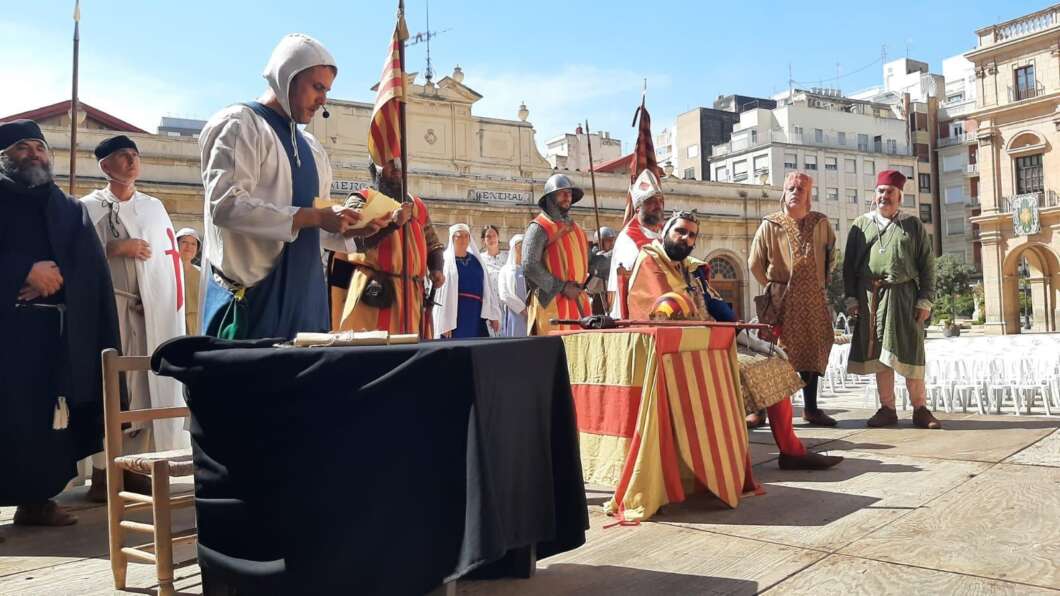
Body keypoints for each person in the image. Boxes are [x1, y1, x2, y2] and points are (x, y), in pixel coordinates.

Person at [198, 33, 385, 340]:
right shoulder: (240, 124)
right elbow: (226, 206)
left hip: (308, 303)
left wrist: (353, 230)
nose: (323, 98)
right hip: (252, 305)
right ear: (287, 78)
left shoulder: (312, 147)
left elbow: (318, 229)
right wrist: (315, 216)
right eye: (317, 87)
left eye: (327, 90)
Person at [627, 211, 842, 470]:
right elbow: (662, 314)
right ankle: (728, 456)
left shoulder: (692, 268)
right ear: (665, 232)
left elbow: (719, 309)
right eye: (680, 231)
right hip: (673, 350)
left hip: (709, 343)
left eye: (691, 235)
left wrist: (754, 342)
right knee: (753, 370)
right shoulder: (649, 261)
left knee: (773, 361)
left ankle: (791, 451)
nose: (685, 238)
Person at [0, 120, 120, 525]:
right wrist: (22, 271)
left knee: (43, 423)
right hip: (6, 333)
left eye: (39, 147)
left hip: (53, 335)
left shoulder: (69, 208)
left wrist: (57, 276)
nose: (34, 154)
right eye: (22, 148)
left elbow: (90, 268)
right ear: (4, 157)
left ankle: (36, 501)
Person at [82, 135, 191, 500]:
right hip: (106, 314)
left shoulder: (153, 208)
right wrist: (113, 248)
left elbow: (167, 263)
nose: (132, 162)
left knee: (144, 387)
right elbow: (75, 257)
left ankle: (136, 466)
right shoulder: (87, 208)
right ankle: (103, 472)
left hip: (146, 317)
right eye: (122, 156)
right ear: (105, 166)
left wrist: (158, 300)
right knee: (110, 389)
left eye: (135, 156)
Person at [844, 170, 940, 429]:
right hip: (870, 298)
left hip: (904, 296)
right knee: (878, 355)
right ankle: (887, 408)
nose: (884, 196)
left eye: (889, 192)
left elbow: (927, 266)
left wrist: (925, 301)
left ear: (900, 197)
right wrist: (851, 298)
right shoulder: (860, 225)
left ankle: (920, 409)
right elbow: (849, 266)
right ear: (875, 195)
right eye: (880, 191)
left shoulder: (912, 225)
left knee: (910, 350)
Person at [748, 171, 838, 428]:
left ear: (809, 195)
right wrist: (773, 286)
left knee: (813, 350)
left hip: (813, 300)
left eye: (801, 189)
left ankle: (811, 409)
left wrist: (819, 283)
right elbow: (754, 263)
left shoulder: (821, 222)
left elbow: (831, 256)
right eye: (791, 188)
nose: (795, 192)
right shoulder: (770, 223)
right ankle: (761, 411)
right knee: (772, 353)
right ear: (783, 193)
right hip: (780, 301)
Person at [336, 161, 444, 336]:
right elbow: (353, 240)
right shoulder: (361, 199)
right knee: (374, 355)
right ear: (375, 168)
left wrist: (437, 268)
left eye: (400, 162)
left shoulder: (418, 206)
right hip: (374, 292)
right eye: (388, 162)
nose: (396, 167)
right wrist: (392, 224)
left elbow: (433, 244)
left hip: (412, 296)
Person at [523, 174, 591, 335]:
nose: (567, 196)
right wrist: (562, 287)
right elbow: (529, 265)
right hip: (552, 302)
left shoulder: (577, 229)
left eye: (569, 192)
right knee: (554, 355)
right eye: (562, 192)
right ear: (550, 197)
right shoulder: (539, 227)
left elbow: (585, 262)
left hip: (577, 302)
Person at [608, 170, 666, 316]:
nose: (658, 206)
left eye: (659, 201)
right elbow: (636, 278)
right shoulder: (627, 239)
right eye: (651, 202)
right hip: (641, 307)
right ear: (638, 207)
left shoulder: (666, 233)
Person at [434, 224, 501, 338]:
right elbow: (440, 294)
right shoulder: (445, 261)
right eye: (459, 236)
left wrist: (493, 314)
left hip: (476, 313)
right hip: (455, 313)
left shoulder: (477, 261)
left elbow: (487, 288)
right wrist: (444, 323)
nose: (463, 239)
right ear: (452, 238)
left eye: (466, 236)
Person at [498, 234, 528, 337]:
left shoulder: (530, 270)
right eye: (521, 245)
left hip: (531, 314)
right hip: (515, 314)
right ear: (514, 248)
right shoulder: (505, 270)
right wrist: (523, 309)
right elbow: (504, 294)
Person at [480, 224, 505, 335]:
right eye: (488, 237)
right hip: (490, 307)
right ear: (483, 240)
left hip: (507, 306)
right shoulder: (480, 259)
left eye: (494, 235)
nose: (491, 239)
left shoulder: (508, 257)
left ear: (498, 237)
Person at [176, 227, 201, 335]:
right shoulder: (167, 271)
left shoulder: (202, 273)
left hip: (196, 325)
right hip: (174, 322)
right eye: (184, 242)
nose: (188, 247)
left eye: (193, 244)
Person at [588, 226, 616, 315]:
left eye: (612, 240)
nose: (612, 243)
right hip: (596, 300)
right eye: (608, 240)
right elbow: (590, 287)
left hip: (610, 298)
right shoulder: (594, 259)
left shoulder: (610, 257)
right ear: (599, 242)